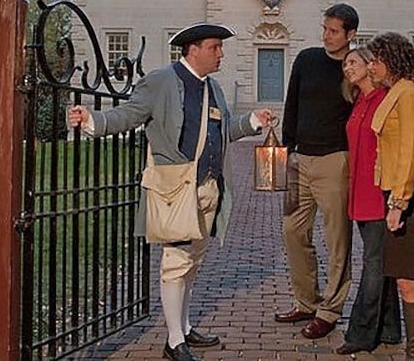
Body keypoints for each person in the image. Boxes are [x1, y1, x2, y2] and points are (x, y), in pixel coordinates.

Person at [67, 23, 272, 361]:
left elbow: (223, 131)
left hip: (209, 188)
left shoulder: (214, 88)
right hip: (175, 187)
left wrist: (252, 121)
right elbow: (129, 114)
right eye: (214, 47)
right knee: (176, 263)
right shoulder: (162, 80)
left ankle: (186, 327)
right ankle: (174, 340)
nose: (221, 54)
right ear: (193, 50)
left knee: (192, 262)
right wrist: (93, 120)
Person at [276, 3, 358, 340]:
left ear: (350, 35)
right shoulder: (307, 59)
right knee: (293, 231)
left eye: (334, 31)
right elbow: (291, 104)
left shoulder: (355, 68)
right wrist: (286, 152)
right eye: (324, 28)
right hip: (299, 161)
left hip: (335, 162)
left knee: (337, 239)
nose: (326, 36)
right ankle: (307, 301)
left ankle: (329, 310)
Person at [366, 32, 414, 361]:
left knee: (408, 279)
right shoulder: (394, 92)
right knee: (411, 277)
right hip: (398, 192)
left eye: (375, 61)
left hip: (411, 195)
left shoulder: (409, 94)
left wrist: (399, 202)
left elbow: (412, 151)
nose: (371, 68)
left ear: (392, 60)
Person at [335, 46, 402, 355]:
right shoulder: (359, 101)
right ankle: (389, 329)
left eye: (353, 62)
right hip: (360, 192)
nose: (347, 68)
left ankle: (362, 332)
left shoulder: (385, 100)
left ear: (370, 65)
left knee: (373, 263)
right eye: (345, 64)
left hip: (378, 192)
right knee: (379, 260)